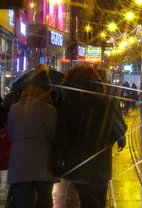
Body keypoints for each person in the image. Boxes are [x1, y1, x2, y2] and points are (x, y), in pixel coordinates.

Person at [60, 66, 127, 207]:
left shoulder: (68, 101)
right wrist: (107, 141)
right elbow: (119, 128)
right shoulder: (106, 103)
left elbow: (62, 134)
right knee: (99, 202)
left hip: (76, 165)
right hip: (100, 165)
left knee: (86, 201)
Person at [7, 65, 57, 208]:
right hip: (43, 162)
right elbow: (53, 136)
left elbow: (12, 136)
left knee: (23, 203)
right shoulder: (49, 110)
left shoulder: (14, 109)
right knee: (45, 202)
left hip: (19, 164)